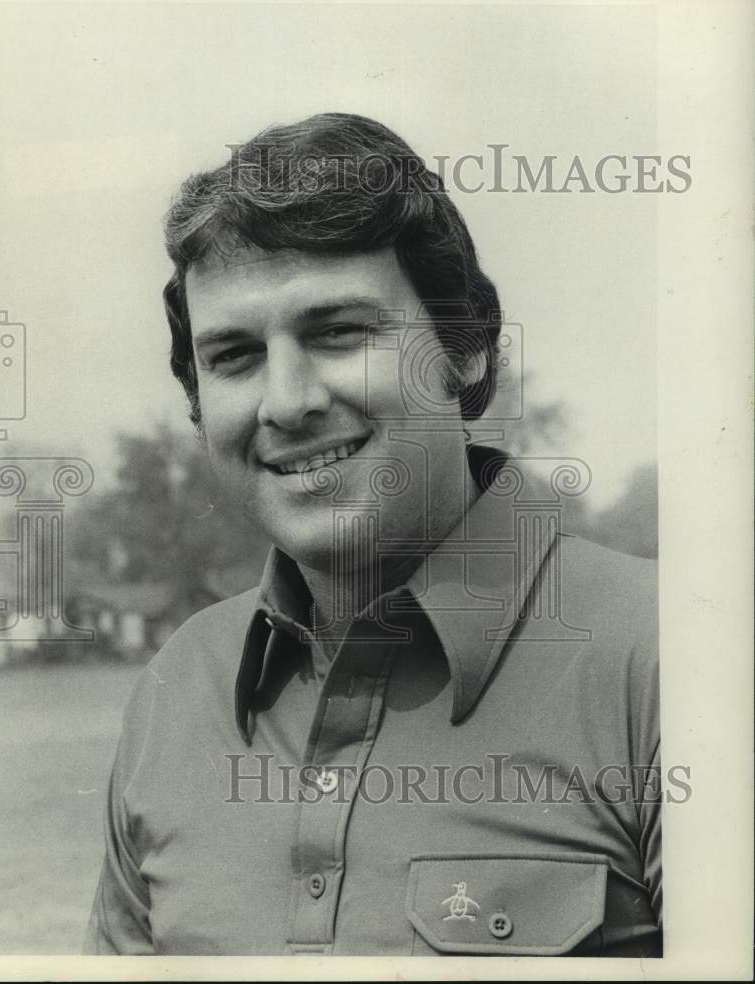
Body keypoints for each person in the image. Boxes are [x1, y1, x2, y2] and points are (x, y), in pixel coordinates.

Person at [84, 113, 661, 957]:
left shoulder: (669, 661)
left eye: (338, 332)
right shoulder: (176, 689)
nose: (286, 400)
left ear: (466, 350)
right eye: (235, 356)